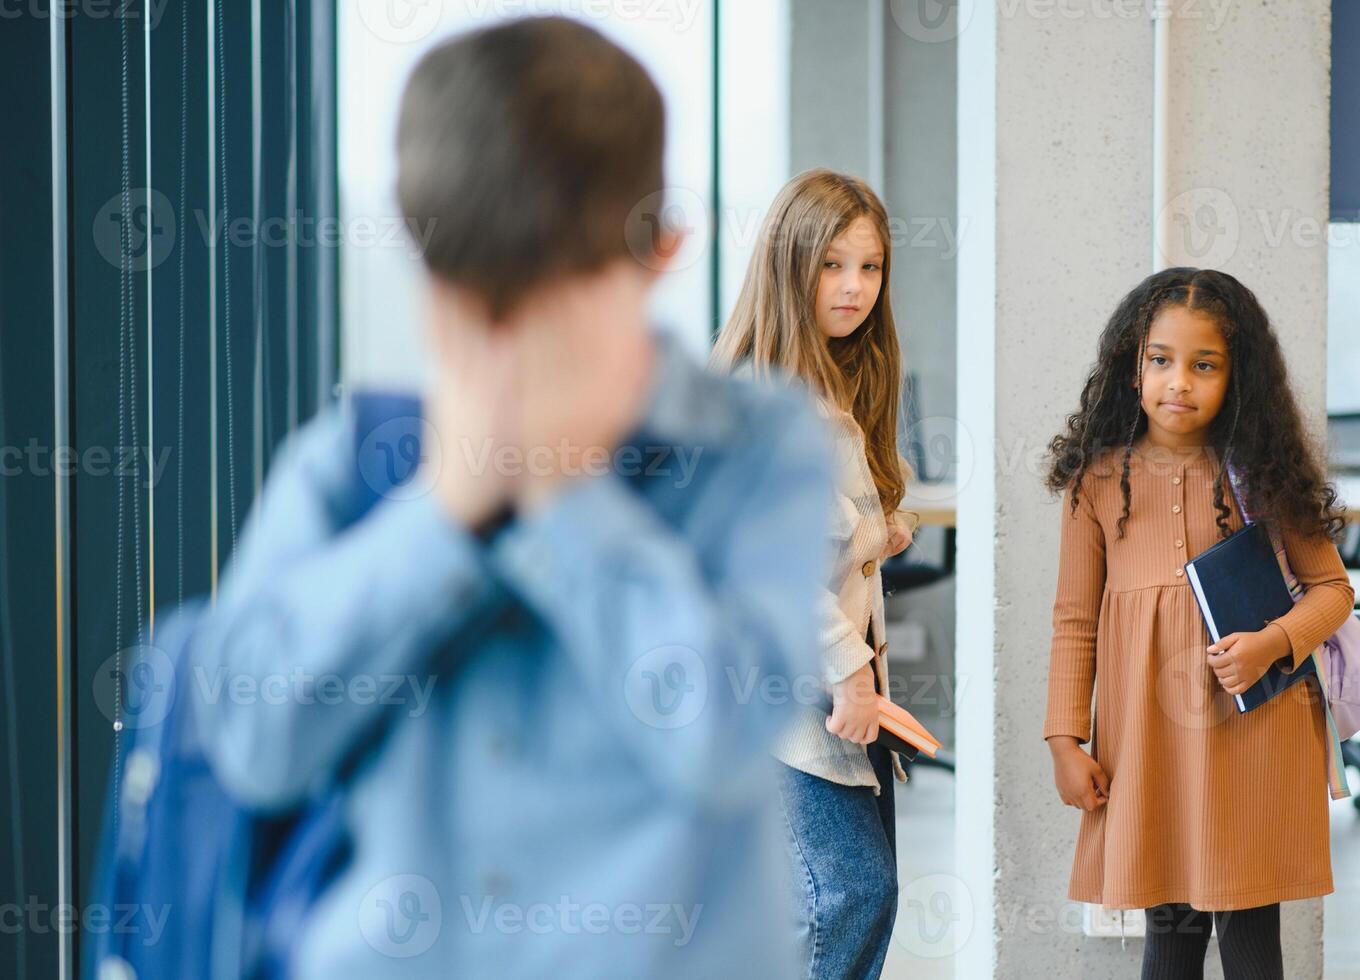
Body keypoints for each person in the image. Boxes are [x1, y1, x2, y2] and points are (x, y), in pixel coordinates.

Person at [187, 18, 834, 978]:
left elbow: (727, 741)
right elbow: (249, 741)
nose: (507, 356)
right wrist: (443, 511)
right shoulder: (359, 458)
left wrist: (563, 495)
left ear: (663, 250)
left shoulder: (755, 447)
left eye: (551, 307)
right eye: (477, 307)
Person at [1041, 267, 1355, 979]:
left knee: (1249, 938)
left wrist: (1271, 645)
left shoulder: (1262, 472)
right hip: (1145, 742)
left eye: (1202, 365)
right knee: (1170, 934)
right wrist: (1063, 738)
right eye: (1159, 360)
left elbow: (1331, 590)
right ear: (1131, 368)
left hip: (1253, 738)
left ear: (1235, 377)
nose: (1177, 381)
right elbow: (1073, 621)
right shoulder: (1094, 482)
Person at [710, 169, 917, 980]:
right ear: (789, 264)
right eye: (833, 264)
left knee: (841, 899)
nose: (854, 287)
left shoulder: (825, 378)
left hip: (819, 678)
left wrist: (874, 531)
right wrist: (852, 672)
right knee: (851, 894)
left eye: (869, 267)